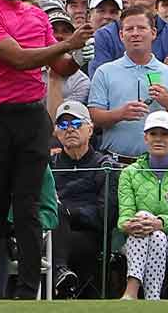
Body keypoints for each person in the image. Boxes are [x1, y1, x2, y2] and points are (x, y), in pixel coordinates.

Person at [0, 0, 88, 299]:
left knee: (28, 205)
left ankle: (28, 289)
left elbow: (60, 67)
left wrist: (80, 50)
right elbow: (17, 59)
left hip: (32, 116)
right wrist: (68, 44)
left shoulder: (37, 16)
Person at [115, 111, 168, 300]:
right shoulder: (129, 173)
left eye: (165, 134)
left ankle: (132, 290)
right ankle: (153, 299)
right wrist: (129, 225)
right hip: (136, 236)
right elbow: (125, 215)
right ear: (146, 137)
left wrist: (158, 223)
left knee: (158, 235)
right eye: (154, 134)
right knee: (156, 236)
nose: (159, 139)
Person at [88, 6, 168, 159]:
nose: (135, 33)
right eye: (130, 29)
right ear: (121, 35)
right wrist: (120, 114)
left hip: (159, 166)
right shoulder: (105, 72)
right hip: (117, 163)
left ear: (153, 33)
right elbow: (93, 118)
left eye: (142, 28)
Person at [48, 101, 119, 298]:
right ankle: (60, 273)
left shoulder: (105, 166)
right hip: (48, 232)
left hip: (88, 236)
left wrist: (70, 213)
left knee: (58, 213)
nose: (69, 129)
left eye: (76, 123)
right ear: (56, 133)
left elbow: (105, 216)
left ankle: (58, 271)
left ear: (90, 129)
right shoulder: (48, 165)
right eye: (63, 125)